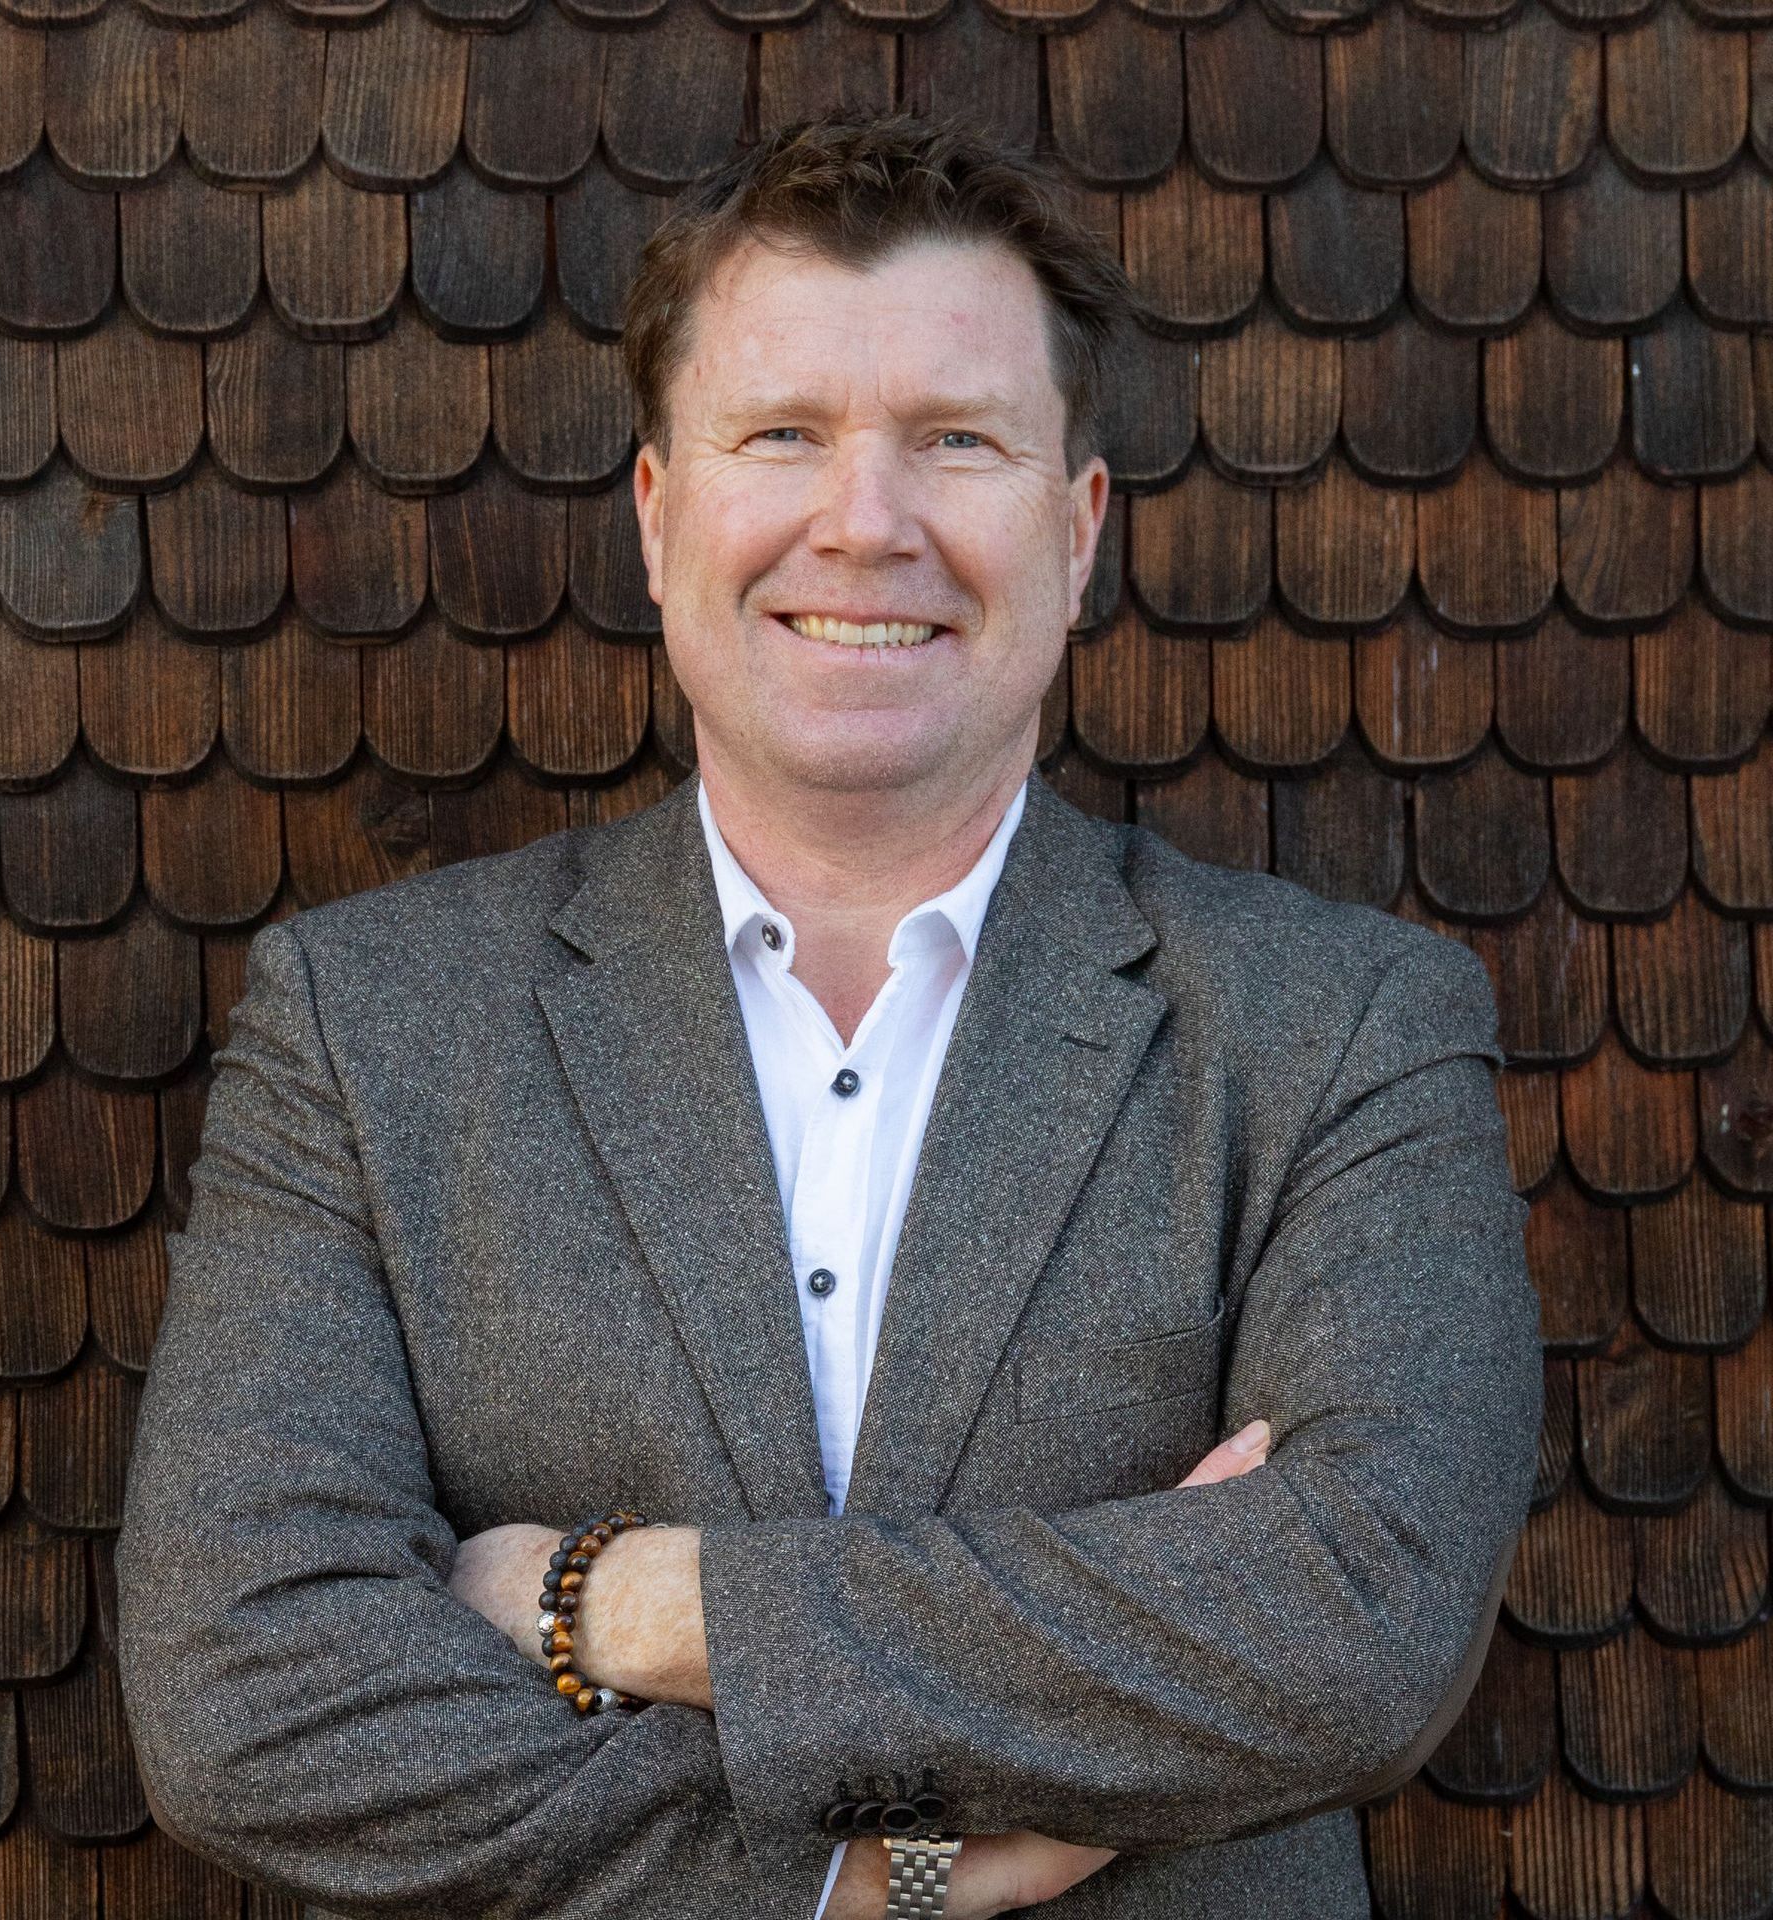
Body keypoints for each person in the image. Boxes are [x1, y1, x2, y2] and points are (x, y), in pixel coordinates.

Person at [115, 110, 1546, 1920]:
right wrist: (873, 1875)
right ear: (660, 517)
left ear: (1077, 531)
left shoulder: (1343, 1028)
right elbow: (247, 1700)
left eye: (957, 441)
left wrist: (622, 1603)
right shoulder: (368, 1028)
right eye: (783, 434)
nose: (864, 524)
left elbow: (1362, 1629)